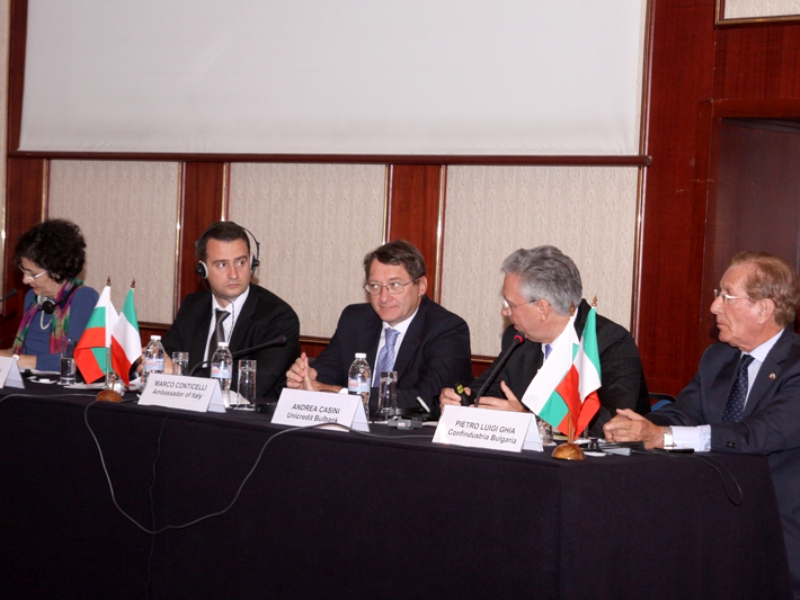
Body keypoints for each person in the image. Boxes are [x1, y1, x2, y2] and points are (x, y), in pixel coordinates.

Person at [603, 251, 800, 594]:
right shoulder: (718, 358)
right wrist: (638, 425)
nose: (714, 307)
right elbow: (682, 414)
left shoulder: (795, 365)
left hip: (778, 532)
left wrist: (662, 436)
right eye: (717, 294)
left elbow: (757, 434)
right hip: (710, 524)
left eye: (727, 296)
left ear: (764, 309)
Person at [440, 245, 650, 437]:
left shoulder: (610, 342)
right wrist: (461, 401)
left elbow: (613, 425)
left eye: (510, 304)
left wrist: (528, 422)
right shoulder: (519, 339)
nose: (504, 312)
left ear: (542, 308)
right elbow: (487, 392)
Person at [285, 240, 472, 413]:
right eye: (374, 286)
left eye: (395, 285)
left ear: (421, 286)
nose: (383, 298)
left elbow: (422, 400)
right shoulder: (354, 319)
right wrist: (306, 378)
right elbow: (325, 374)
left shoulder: (447, 329)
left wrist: (339, 393)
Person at [161, 221, 300, 400]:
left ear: (252, 263)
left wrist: (180, 374)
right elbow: (167, 356)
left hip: (245, 415)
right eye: (222, 265)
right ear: (203, 269)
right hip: (186, 409)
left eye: (241, 262)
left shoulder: (278, 317)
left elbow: (253, 383)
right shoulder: (193, 306)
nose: (234, 274)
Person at [0, 219, 99, 372]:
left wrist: (14, 360)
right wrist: (7, 356)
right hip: (28, 379)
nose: (25, 280)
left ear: (56, 270)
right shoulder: (32, 298)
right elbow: (23, 353)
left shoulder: (84, 298)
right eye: (24, 271)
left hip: (60, 385)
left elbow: (74, 360)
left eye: (32, 274)